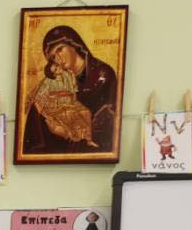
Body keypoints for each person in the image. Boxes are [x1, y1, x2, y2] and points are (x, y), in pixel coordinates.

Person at [21, 25, 121, 155]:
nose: (58, 58)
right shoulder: (58, 81)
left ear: (74, 44)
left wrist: (66, 133)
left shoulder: (103, 75)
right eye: (53, 57)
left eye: (60, 49)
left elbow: (106, 132)